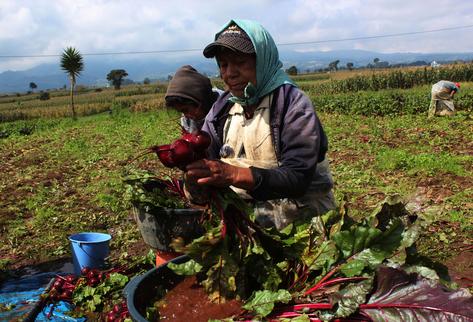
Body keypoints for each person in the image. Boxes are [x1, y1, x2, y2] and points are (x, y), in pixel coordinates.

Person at [184, 19, 336, 230]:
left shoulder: (291, 103)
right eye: (224, 65)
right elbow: (206, 156)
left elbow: (298, 177)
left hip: (305, 222)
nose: (230, 73)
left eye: (240, 62)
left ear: (263, 60)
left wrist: (232, 173)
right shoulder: (222, 108)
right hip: (249, 222)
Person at [165, 65, 221, 133]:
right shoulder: (186, 119)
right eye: (182, 112)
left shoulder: (227, 108)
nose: (186, 116)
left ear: (199, 100)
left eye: (186, 110)